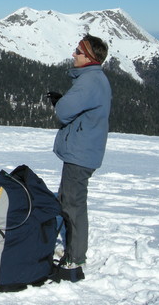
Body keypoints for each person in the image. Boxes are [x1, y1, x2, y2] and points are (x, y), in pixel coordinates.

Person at [46, 34, 111, 281]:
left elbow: (63, 113)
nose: (74, 54)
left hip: (80, 154)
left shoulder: (89, 81)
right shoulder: (95, 79)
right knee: (68, 200)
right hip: (85, 150)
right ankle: (73, 251)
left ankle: (74, 258)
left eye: (78, 51)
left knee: (73, 205)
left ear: (89, 57)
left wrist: (61, 103)